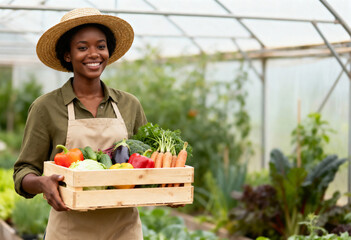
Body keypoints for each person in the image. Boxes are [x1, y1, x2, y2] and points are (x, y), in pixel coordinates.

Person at [13, 8, 147, 240]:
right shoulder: (46, 107)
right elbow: (23, 172)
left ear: (108, 52)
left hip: (124, 229)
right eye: (83, 47)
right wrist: (42, 183)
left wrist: (169, 188)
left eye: (101, 46)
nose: (94, 54)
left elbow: (149, 163)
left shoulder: (129, 104)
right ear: (67, 55)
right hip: (69, 230)